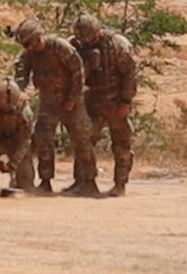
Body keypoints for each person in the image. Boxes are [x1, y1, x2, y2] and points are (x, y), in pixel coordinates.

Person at [12, 17, 101, 197]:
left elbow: (78, 72)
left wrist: (72, 98)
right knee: (43, 138)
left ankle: (88, 182)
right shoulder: (28, 54)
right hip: (48, 102)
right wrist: (19, 91)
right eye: (25, 45)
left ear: (38, 38)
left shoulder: (60, 47)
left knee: (82, 140)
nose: (28, 48)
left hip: (71, 102)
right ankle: (45, 181)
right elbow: (21, 75)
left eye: (29, 43)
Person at [70, 13, 137, 197]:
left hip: (115, 99)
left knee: (121, 143)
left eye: (89, 38)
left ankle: (120, 184)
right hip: (92, 98)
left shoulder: (118, 45)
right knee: (83, 139)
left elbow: (130, 74)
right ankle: (84, 182)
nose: (86, 42)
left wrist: (126, 101)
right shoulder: (76, 44)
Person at [0, 78, 35, 193]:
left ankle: (20, 181)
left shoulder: (25, 112)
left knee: (26, 184)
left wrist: (12, 164)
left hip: (14, 139)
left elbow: (25, 141)